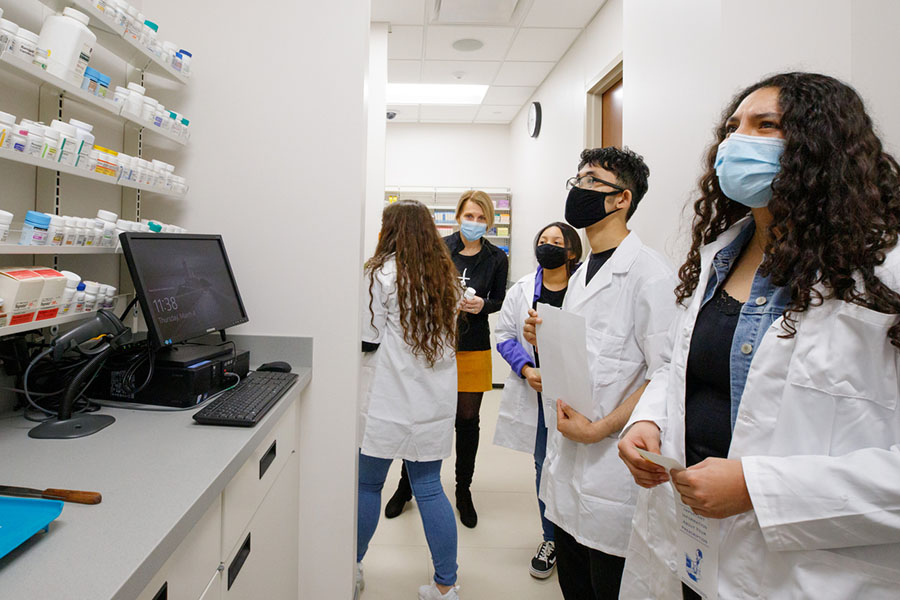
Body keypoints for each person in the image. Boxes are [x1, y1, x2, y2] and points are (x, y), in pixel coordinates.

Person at [617, 72, 900, 599]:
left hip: (813, 574)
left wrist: (760, 489)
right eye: (731, 128)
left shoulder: (885, 276)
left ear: (824, 146)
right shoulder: (719, 257)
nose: (735, 142)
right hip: (694, 547)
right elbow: (681, 366)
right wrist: (648, 418)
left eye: (765, 125)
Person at [524, 147, 676, 599]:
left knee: (605, 584)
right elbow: (588, 357)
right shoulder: (582, 270)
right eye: (577, 180)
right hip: (568, 467)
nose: (578, 189)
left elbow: (665, 371)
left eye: (591, 180)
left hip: (611, 470)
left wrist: (601, 430)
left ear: (621, 199)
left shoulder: (650, 275)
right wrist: (543, 347)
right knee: (574, 584)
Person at [358, 200, 463, 600]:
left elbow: (369, 338)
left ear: (390, 230)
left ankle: (350, 568)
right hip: (432, 401)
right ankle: (446, 585)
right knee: (430, 487)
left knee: (368, 486)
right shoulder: (446, 277)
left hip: (386, 397)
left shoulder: (380, 274)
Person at [386, 190, 509, 529]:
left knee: (467, 421)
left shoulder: (496, 258)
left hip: (473, 345)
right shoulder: (439, 248)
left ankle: (463, 490)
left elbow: (499, 299)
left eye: (481, 217)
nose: (474, 222)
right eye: (469, 216)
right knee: (423, 415)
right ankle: (405, 486)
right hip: (434, 345)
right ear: (458, 216)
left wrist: (482, 304)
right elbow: (418, 286)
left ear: (489, 221)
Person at [493, 221, 583, 579]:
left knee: (578, 464)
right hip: (538, 389)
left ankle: (576, 535)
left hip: (577, 391)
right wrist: (527, 368)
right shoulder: (520, 291)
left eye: (557, 242)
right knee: (543, 462)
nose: (548, 246)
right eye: (543, 241)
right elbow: (503, 336)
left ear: (571, 251)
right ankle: (551, 539)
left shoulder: (587, 287)